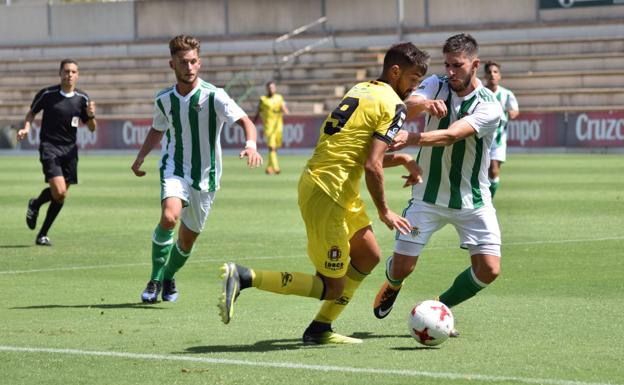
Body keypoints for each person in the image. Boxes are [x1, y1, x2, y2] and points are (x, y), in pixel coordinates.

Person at [218, 42, 430, 344]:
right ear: (396, 72)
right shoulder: (393, 105)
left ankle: (320, 329)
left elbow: (357, 153)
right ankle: (244, 276)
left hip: (337, 185)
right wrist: (385, 211)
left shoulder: (362, 89)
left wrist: (405, 159)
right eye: (413, 79)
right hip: (328, 190)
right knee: (331, 286)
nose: (414, 88)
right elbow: (371, 165)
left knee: (368, 256)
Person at [372, 34, 504, 337]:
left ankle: (439, 307)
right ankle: (393, 284)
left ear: (475, 65)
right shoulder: (437, 83)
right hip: (426, 198)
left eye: (457, 65)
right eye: (447, 65)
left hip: (472, 201)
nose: (451, 72)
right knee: (403, 268)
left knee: (489, 270)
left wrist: (412, 138)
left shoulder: (489, 106)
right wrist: (423, 106)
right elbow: (407, 106)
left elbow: (452, 135)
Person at [131, 34, 263, 303]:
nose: (188, 67)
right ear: (172, 65)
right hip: (174, 167)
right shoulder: (164, 99)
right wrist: (141, 157)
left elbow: (246, 121)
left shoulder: (215, 95)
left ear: (199, 63)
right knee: (169, 217)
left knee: (186, 242)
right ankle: (155, 279)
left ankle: (169, 276)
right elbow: (158, 128)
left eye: (192, 62)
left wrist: (251, 144)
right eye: (183, 62)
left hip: (206, 177)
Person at [16, 59, 97, 246]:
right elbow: (31, 113)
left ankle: (41, 230)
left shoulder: (82, 98)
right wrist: (26, 128)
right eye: (66, 71)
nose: (69, 75)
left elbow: (92, 128)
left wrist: (91, 115)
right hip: (49, 147)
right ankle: (36, 206)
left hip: (70, 151)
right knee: (59, 191)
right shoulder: (47, 94)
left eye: (73, 72)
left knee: (60, 195)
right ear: (60, 73)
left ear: (78, 75)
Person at [484, 61, 519, 198]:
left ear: (499, 76)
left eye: (495, 72)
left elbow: (515, 110)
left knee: (493, 171)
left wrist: (512, 113)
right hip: (481, 137)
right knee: (481, 173)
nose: (492, 75)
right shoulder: (481, 92)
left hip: (498, 139)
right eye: (489, 72)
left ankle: (488, 201)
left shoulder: (506, 94)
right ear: (485, 76)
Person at [253, 81, 289, 175]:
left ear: (275, 88)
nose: (271, 89)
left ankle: (269, 167)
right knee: (272, 148)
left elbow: (284, 108)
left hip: (278, 127)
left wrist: (285, 111)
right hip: (268, 127)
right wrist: (253, 123)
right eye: (269, 88)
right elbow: (258, 112)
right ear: (267, 89)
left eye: (272, 87)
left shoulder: (279, 98)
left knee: (275, 148)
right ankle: (276, 168)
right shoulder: (263, 99)